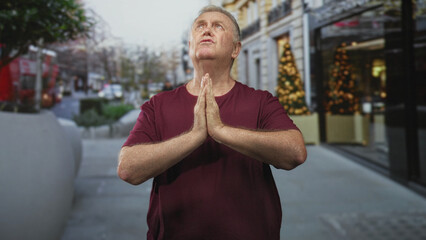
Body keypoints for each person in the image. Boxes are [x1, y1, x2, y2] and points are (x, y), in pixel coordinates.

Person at [118, 5, 307, 240]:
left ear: (236, 49)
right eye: (200, 26)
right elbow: (127, 169)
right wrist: (195, 135)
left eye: (218, 26)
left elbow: (295, 153)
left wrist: (220, 130)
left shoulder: (260, 101)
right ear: (190, 46)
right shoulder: (157, 105)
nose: (207, 30)